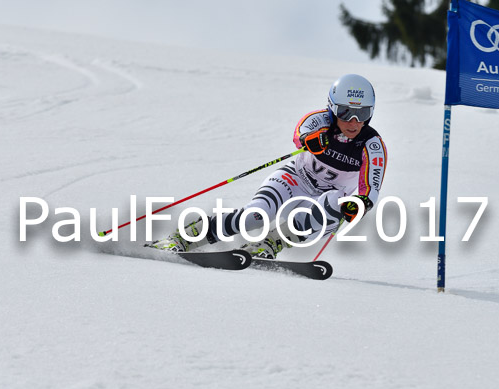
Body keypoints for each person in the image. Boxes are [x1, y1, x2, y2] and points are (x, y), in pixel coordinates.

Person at [150, 74, 387, 259]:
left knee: (336, 200)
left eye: (362, 113)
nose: (353, 121)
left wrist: (360, 204)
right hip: (295, 180)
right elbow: (301, 130)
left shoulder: (372, 145)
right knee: (254, 216)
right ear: (332, 108)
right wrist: (309, 140)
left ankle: (269, 243)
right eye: (346, 112)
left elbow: (370, 188)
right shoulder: (322, 121)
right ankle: (185, 237)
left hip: (322, 202)